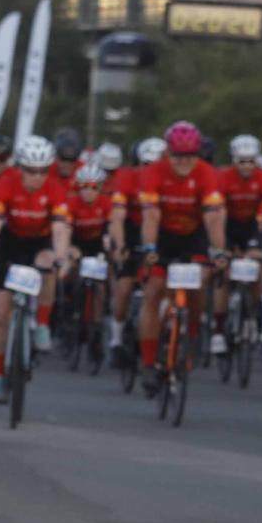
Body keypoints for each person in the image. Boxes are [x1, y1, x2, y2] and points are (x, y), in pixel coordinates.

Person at [0, 135, 72, 402]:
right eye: (30, 170)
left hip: (39, 242)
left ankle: (42, 324)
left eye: (43, 171)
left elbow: (60, 228)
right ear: (20, 168)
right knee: (1, 312)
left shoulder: (54, 188)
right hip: (9, 242)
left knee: (48, 261)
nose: (36, 177)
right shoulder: (6, 183)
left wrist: (62, 257)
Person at [135, 122, 227, 395]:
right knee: (153, 293)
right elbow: (151, 215)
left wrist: (218, 251)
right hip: (163, 235)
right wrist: (150, 247)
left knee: (200, 284)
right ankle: (149, 362)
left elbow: (213, 217)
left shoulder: (207, 174)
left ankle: (193, 334)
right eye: (178, 156)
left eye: (190, 156)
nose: (184, 162)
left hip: (194, 235)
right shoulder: (153, 172)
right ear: (168, 154)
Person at [106, 137, 165, 364]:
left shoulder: (168, 183)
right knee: (123, 287)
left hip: (159, 234)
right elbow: (117, 217)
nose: (151, 171)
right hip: (131, 233)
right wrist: (120, 246)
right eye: (147, 165)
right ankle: (117, 338)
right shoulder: (127, 179)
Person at [219, 133, 262, 350]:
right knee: (223, 272)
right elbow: (218, 212)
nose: (247, 166)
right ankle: (219, 325)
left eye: (251, 161)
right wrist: (223, 246)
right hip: (229, 224)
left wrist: (256, 245)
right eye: (242, 161)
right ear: (234, 160)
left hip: (253, 225)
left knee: (256, 272)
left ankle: (253, 314)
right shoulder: (223, 177)